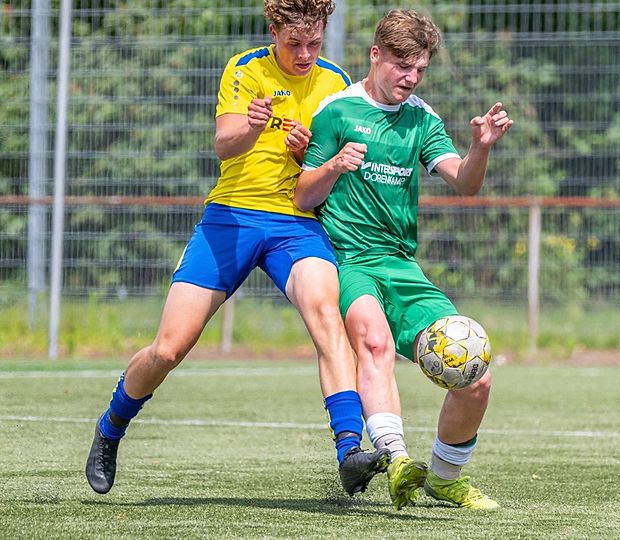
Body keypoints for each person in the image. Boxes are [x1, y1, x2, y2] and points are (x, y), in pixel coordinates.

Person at [85, 0, 388, 498]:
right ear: (273, 32)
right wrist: (252, 125)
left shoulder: (336, 83)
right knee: (169, 348)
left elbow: (327, 168)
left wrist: (308, 154)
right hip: (232, 217)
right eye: (294, 43)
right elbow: (224, 144)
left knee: (327, 318)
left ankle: (350, 451)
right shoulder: (245, 69)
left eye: (313, 43)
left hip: (297, 223)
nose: (305, 54)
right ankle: (111, 426)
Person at [295, 9, 513, 510]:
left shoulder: (422, 118)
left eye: (420, 69)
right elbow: (304, 196)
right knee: (374, 342)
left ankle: (445, 478)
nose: (411, 78)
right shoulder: (336, 111)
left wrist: (480, 147)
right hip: (349, 260)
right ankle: (396, 461)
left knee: (476, 374)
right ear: (376, 55)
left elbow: (464, 182)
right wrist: (334, 165)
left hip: (401, 265)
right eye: (402, 65)